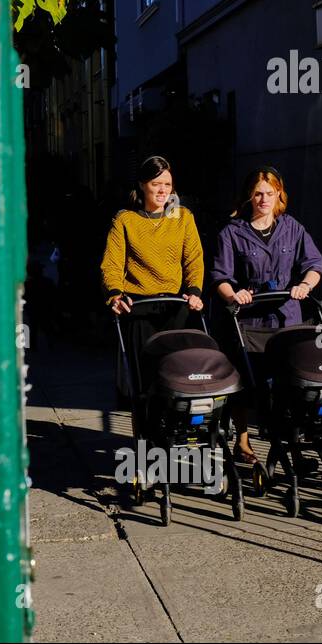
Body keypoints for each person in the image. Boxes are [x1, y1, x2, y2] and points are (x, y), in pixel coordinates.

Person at [212, 166, 322, 465]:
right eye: (258, 193)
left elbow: (314, 263)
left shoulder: (293, 228)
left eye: (270, 193)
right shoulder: (232, 233)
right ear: (249, 196)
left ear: (279, 195)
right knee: (248, 383)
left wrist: (304, 285)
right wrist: (233, 294)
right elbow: (220, 276)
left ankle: (286, 444)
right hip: (248, 323)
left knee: (287, 383)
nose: (264, 199)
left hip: (287, 320)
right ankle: (243, 440)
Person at [100, 156, 205, 436]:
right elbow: (111, 264)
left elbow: (194, 259)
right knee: (144, 387)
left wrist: (194, 291)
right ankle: (144, 449)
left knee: (179, 382)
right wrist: (115, 294)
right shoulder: (125, 220)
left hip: (175, 309)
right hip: (140, 309)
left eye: (167, 184)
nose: (162, 191)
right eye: (156, 184)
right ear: (142, 186)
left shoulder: (183, 218)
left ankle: (175, 439)